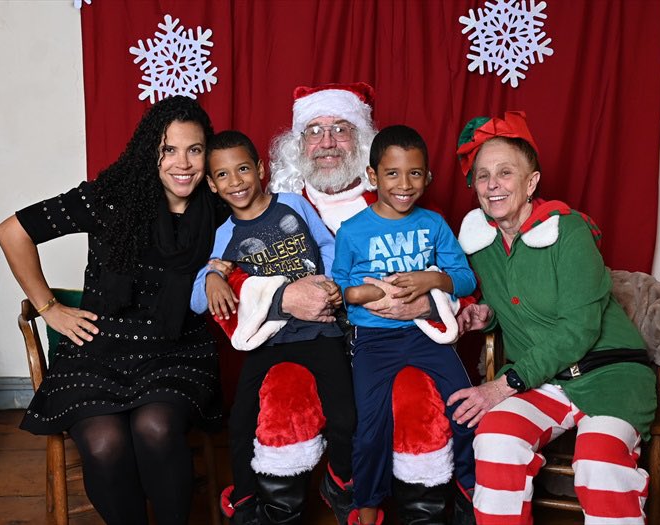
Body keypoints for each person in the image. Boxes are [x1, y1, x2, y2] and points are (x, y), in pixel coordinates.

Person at [0, 96, 226, 525]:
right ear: (149, 152)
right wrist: (49, 307)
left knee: (155, 427)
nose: (183, 163)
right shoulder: (110, 198)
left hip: (177, 348)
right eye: (169, 149)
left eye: (194, 149)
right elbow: (12, 231)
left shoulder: (219, 205)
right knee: (104, 442)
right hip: (98, 350)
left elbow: (265, 236)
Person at [268, 83, 474, 524]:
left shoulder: (415, 211)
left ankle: (439, 500)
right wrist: (288, 296)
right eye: (314, 131)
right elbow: (247, 270)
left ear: (360, 140)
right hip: (314, 339)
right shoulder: (281, 208)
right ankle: (324, 495)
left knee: (422, 400)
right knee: (286, 395)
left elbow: (462, 281)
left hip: (398, 336)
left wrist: (426, 301)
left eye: (340, 129)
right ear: (298, 143)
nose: (327, 142)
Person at [448, 111, 657, 524]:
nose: (492, 184)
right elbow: (514, 302)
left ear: (531, 183)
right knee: (495, 438)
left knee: (600, 460)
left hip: (609, 373)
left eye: (505, 173)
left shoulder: (568, 230)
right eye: (483, 175)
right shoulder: (479, 242)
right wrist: (485, 315)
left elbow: (579, 328)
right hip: (544, 379)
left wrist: (502, 385)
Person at [190, 131, 356, 524]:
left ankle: (339, 482)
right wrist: (212, 276)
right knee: (241, 420)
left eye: (243, 169)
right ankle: (246, 499)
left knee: (346, 416)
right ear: (212, 184)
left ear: (261, 169)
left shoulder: (292, 204)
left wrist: (334, 280)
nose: (236, 181)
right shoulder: (225, 235)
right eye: (223, 175)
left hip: (320, 330)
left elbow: (326, 243)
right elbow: (198, 299)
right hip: (270, 339)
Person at [332, 125, 477, 525]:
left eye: (415, 173)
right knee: (370, 425)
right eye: (392, 173)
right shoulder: (352, 231)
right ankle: (367, 504)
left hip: (427, 335)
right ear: (373, 176)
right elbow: (338, 288)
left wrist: (430, 280)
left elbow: (465, 279)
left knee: (465, 409)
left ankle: (470, 489)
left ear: (428, 176)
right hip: (374, 341)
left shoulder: (434, 224)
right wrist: (362, 293)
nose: (405, 184)